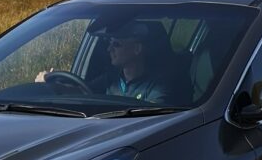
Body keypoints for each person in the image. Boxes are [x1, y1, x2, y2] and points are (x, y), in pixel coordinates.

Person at [35, 21, 172, 104]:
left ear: (137, 49)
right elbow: (83, 91)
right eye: (109, 43)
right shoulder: (111, 79)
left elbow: (152, 117)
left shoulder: (156, 86)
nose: (109, 49)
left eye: (116, 44)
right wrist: (54, 86)